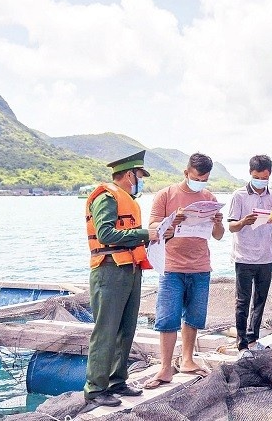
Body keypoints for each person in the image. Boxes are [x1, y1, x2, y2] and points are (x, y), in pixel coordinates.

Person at [143, 153, 225, 389]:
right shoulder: (166, 195)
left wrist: (217, 223)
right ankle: (165, 367)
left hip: (200, 266)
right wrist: (173, 221)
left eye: (205, 178)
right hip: (171, 267)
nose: (201, 182)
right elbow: (152, 229)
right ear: (186, 172)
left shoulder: (208, 197)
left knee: (195, 316)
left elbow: (218, 236)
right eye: (198, 177)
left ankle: (188, 360)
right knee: (167, 317)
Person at [83, 150, 157, 406]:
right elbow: (105, 234)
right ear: (129, 175)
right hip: (109, 270)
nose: (141, 180)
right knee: (106, 330)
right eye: (140, 175)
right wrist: (146, 234)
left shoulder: (126, 198)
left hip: (129, 270)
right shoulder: (106, 196)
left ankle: (117, 381)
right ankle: (95, 389)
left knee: (126, 329)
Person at [227, 155, 272, 353]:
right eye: (256, 176)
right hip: (243, 256)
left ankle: (253, 339)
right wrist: (244, 221)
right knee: (242, 301)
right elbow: (231, 226)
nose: (260, 180)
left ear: (269, 175)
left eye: (264, 177)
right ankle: (241, 342)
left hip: (266, 257)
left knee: (260, 301)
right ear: (250, 174)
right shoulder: (239, 196)